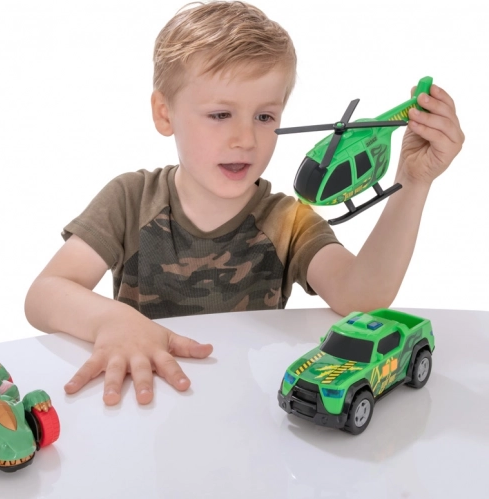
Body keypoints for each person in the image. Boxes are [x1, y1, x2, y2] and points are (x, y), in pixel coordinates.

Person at [24, 1, 464, 407]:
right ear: (164, 113)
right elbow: (44, 294)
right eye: (220, 114)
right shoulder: (130, 199)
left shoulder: (288, 221)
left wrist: (414, 181)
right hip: (145, 406)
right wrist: (113, 321)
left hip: (252, 416)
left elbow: (362, 296)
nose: (245, 138)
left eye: (264, 116)